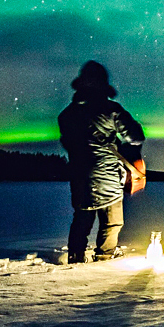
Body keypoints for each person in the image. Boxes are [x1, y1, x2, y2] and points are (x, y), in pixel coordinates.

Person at [58, 60, 146, 263]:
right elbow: (136, 136)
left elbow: (68, 143)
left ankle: (75, 257)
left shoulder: (66, 115)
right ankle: (105, 258)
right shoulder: (111, 110)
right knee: (112, 222)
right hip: (107, 177)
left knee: (81, 220)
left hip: (80, 178)